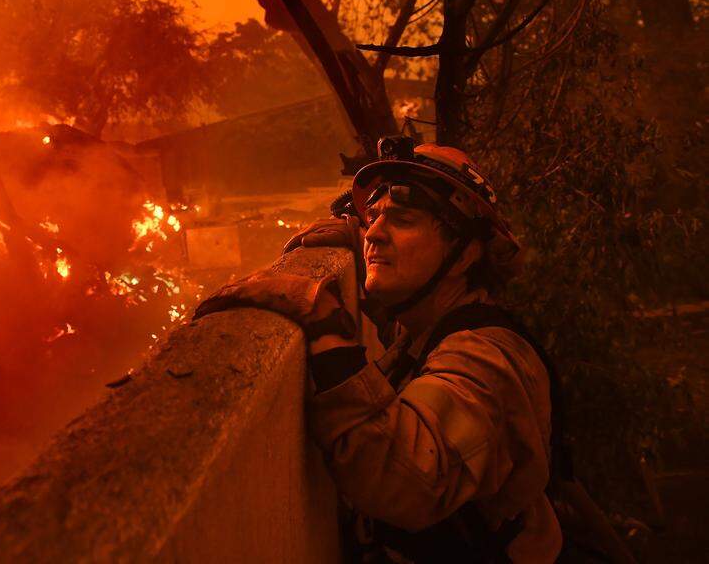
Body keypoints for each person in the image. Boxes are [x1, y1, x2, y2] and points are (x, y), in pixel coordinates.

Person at [195, 136, 563, 563]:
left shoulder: (488, 360)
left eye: (402, 220)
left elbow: (404, 480)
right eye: (372, 218)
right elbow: (392, 318)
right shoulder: (428, 327)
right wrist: (355, 236)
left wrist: (324, 321)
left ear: (465, 256)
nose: (374, 233)